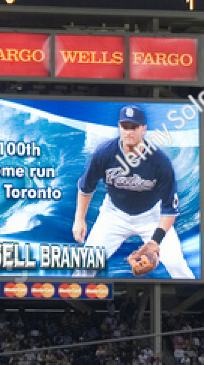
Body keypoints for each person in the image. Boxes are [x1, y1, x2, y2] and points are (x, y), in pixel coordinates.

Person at [72, 106, 194, 279]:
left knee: (176, 264)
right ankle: (73, 304)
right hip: (114, 214)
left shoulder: (160, 162)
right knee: (85, 265)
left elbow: (169, 210)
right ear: (119, 127)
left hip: (151, 216)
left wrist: (155, 242)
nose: (129, 132)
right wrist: (79, 219)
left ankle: (188, 304)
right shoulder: (105, 153)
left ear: (143, 129)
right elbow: (86, 188)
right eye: (125, 126)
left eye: (134, 127)